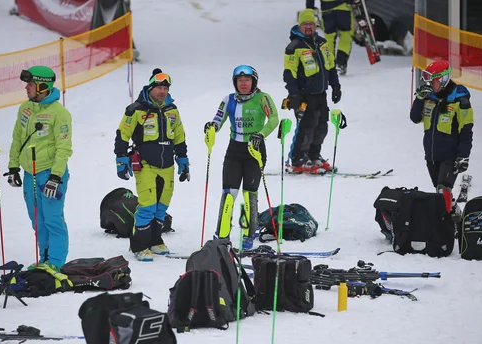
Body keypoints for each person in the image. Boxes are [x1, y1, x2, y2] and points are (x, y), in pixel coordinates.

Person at [114, 68, 189, 262]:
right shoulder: (136, 110)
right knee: (147, 206)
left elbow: (179, 135)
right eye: (158, 88)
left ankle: (155, 240)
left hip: (167, 165)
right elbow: (122, 134)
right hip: (146, 164)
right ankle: (139, 245)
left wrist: (183, 159)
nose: (162, 92)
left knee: (161, 207)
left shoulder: (172, 110)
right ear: (150, 88)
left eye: (165, 88)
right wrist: (121, 159)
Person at [4, 66, 73, 272]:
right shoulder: (25, 108)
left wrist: (56, 176)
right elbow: (17, 138)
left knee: (53, 220)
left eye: (30, 84)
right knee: (37, 221)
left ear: (42, 86)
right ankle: (44, 260)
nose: (26, 88)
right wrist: (13, 166)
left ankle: (55, 264)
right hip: (29, 174)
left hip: (49, 174)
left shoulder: (60, 113)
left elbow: (64, 148)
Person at [204, 65, 279, 249]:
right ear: (235, 82)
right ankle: (222, 234)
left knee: (249, 195)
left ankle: (248, 233)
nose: (243, 84)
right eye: (240, 81)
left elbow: (274, 119)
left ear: (254, 82)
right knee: (229, 194)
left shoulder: (263, 98)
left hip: (255, 149)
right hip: (234, 150)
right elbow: (218, 118)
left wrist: (261, 134)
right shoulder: (229, 99)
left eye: (247, 80)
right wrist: (211, 127)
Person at [410, 60, 473, 215]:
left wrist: (463, 156)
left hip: (450, 156)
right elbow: (415, 117)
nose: (431, 84)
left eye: (434, 81)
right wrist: (419, 98)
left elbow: (466, 130)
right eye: (429, 80)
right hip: (432, 155)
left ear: (444, 79)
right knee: (441, 193)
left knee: (443, 190)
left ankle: (444, 226)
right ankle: (457, 217)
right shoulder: (428, 97)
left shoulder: (459, 99)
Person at [284, 8, 342, 174]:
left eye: (311, 24)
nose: (308, 27)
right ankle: (297, 159)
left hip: (320, 94)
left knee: (321, 127)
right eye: (305, 24)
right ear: (300, 26)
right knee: (306, 128)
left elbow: (330, 66)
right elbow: (289, 73)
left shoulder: (322, 43)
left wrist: (336, 86)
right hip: (303, 96)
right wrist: (294, 94)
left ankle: (313, 156)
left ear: (315, 25)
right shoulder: (294, 47)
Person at [306, 0, 353, 75]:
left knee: (329, 38)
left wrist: (310, 8)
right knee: (346, 36)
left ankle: (329, 64)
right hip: (344, 8)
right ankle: (340, 63)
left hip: (326, 9)